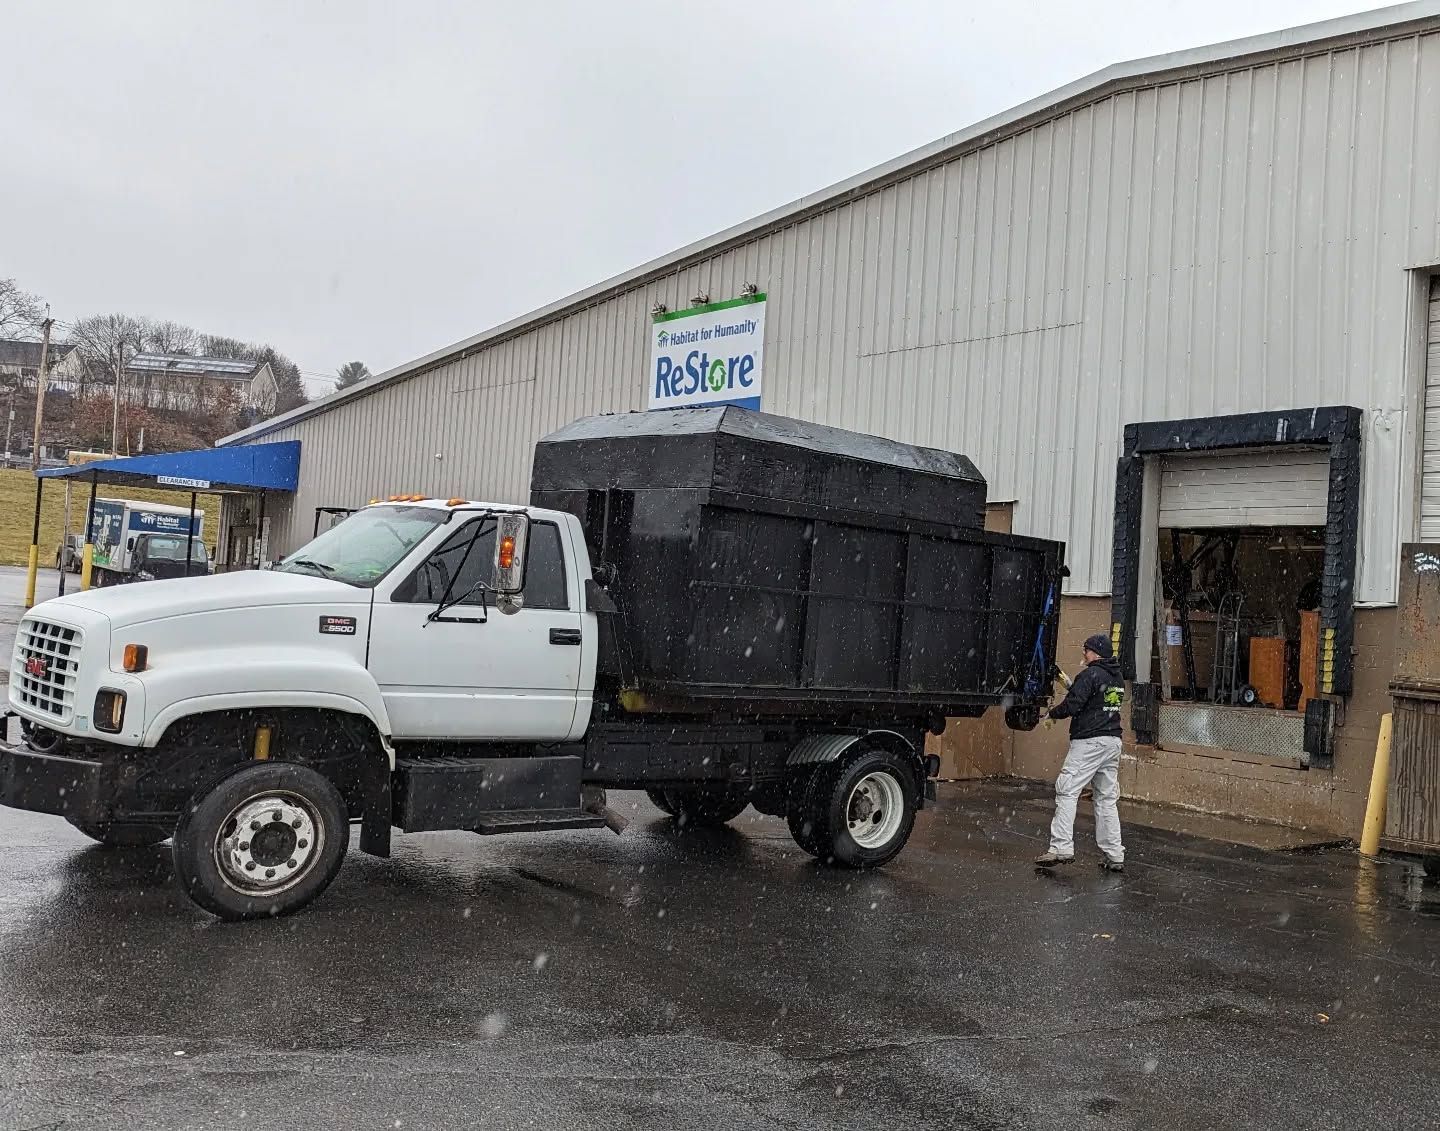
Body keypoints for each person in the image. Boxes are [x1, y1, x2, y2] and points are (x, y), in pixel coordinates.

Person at [1034, 633, 1126, 872]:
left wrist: (1052, 714)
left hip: (1089, 742)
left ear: (1095, 653)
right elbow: (1093, 700)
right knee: (1106, 799)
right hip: (1112, 742)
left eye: (1086, 651)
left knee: (1067, 790)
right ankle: (1115, 854)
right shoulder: (1116, 677)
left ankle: (1061, 847)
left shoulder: (1090, 675)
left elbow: (1074, 704)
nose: (1083, 655)